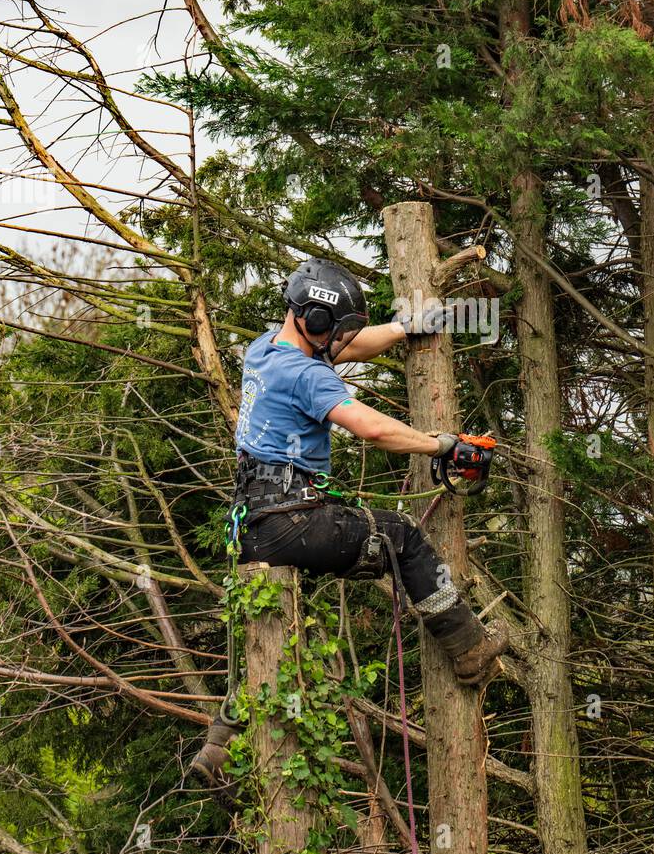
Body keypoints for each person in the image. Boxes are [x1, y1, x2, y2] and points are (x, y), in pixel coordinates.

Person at [189, 257, 508, 790]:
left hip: (255, 525)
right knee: (400, 535)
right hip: (293, 520)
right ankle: (470, 650)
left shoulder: (267, 348)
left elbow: (349, 347)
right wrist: (443, 445)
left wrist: (408, 327)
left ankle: (217, 744)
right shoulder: (307, 373)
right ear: (314, 324)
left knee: (264, 635)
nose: (343, 342)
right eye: (335, 331)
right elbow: (368, 427)